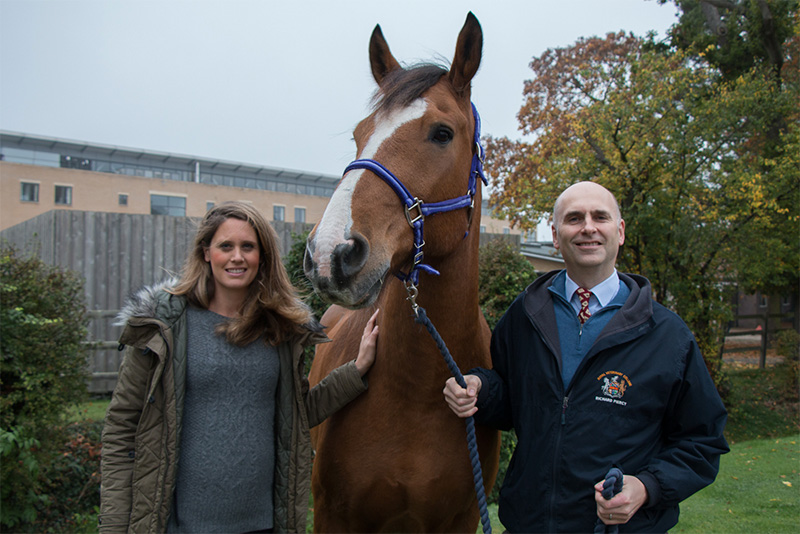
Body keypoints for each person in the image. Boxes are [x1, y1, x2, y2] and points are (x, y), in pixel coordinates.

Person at [443, 181, 729, 533]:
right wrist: (479, 388)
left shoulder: (668, 336)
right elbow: (511, 400)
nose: (588, 227)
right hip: (528, 523)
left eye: (600, 217)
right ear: (556, 235)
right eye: (574, 218)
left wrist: (647, 487)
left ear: (619, 231)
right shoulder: (525, 315)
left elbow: (702, 442)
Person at [100, 201, 379, 533]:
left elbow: (296, 413)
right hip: (180, 526)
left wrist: (356, 368)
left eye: (248, 247)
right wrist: (114, 526)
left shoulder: (281, 330)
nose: (237, 257)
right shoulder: (163, 327)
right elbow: (121, 431)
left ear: (262, 256)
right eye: (225, 246)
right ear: (206, 252)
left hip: (261, 525)